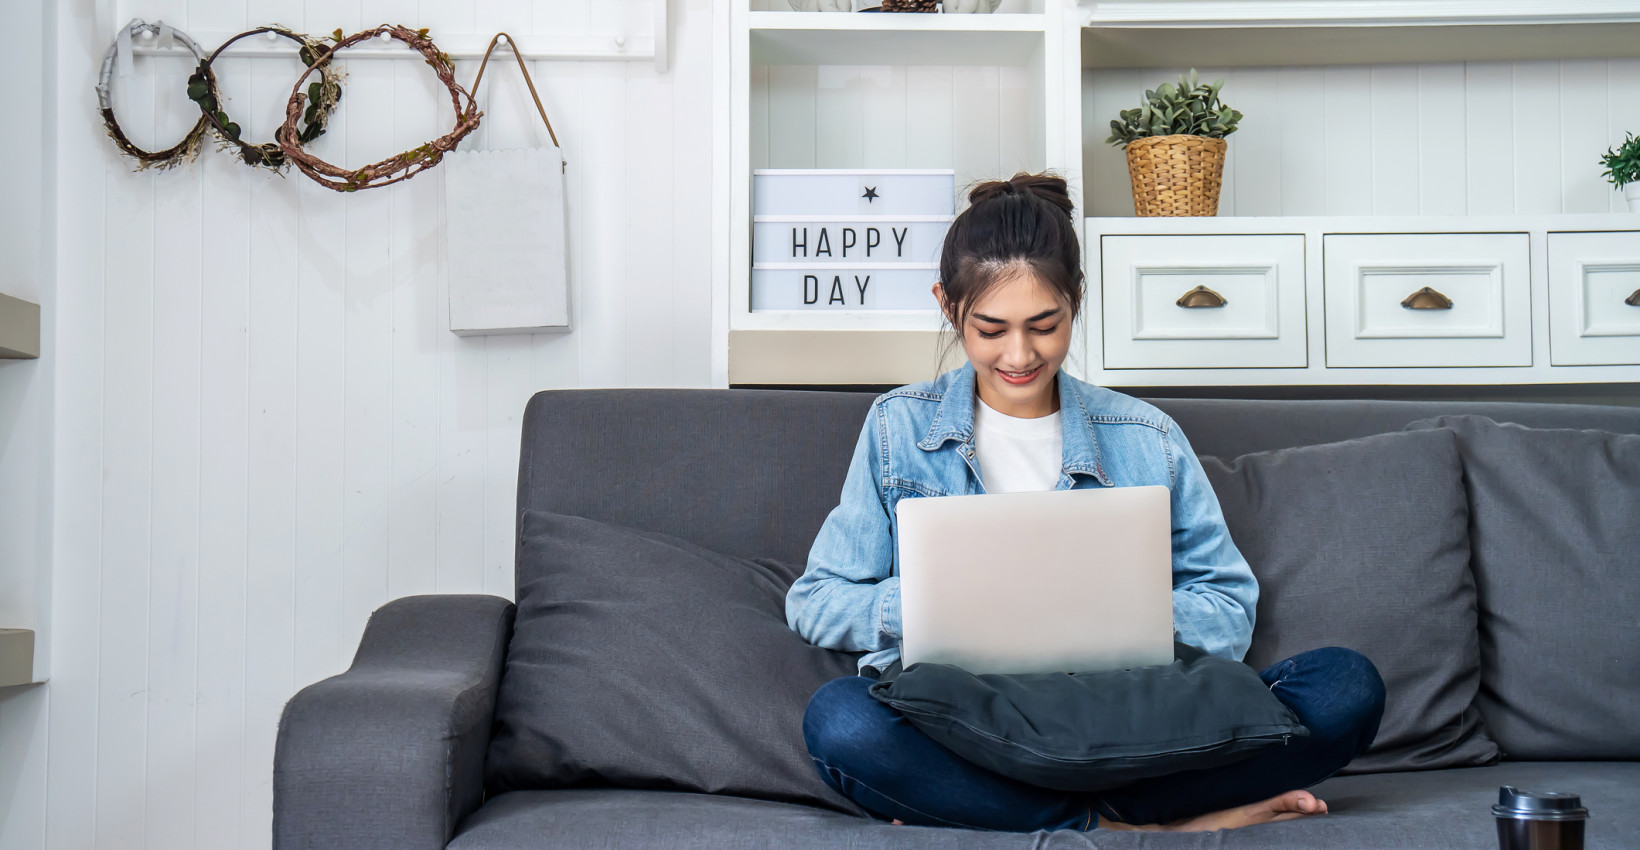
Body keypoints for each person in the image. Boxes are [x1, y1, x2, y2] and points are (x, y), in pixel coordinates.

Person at [784, 172, 1387, 833]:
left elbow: (1226, 605)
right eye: (991, 329)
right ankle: (1136, 827)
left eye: (1045, 325)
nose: (1020, 354)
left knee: (1345, 687)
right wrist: (934, 606)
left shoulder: (1145, 435)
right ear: (949, 308)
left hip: (1129, 719)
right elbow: (817, 601)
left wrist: (1115, 617)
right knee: (843, 721)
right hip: (976, 724)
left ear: (1077, 301)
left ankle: (1046, 820)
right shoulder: (897, 427)